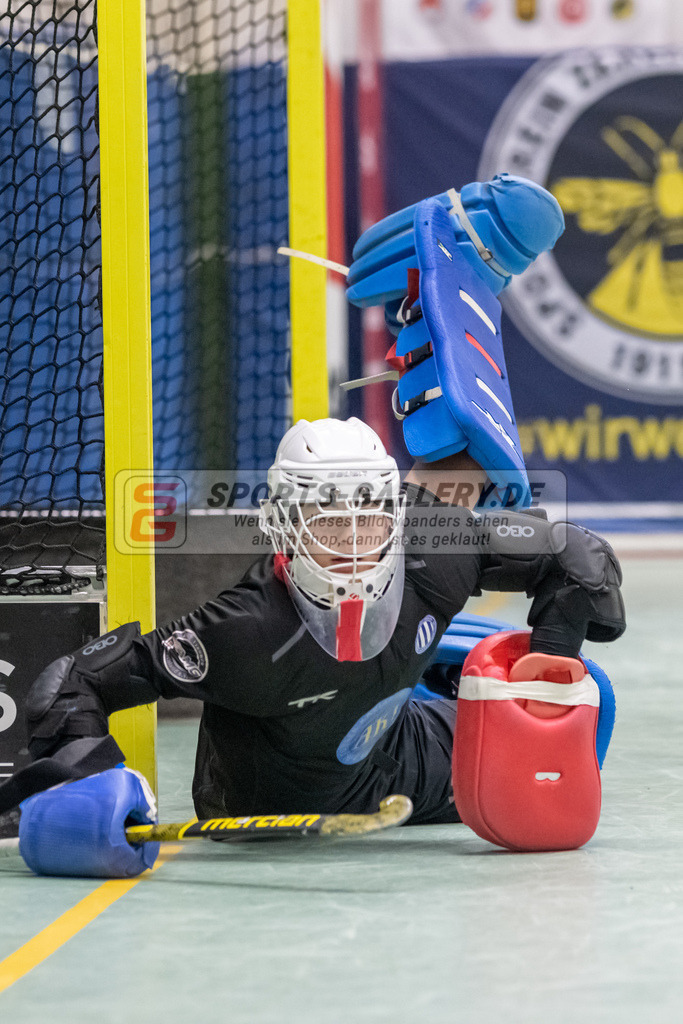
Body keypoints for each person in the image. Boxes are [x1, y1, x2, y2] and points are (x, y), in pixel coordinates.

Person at [17, 175, 625, 871]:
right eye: (329, 525)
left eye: (370, 521)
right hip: (260, 815)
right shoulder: (244, 633)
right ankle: (429, 310)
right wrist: (87, 777)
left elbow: (577, 555)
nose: (354, 543)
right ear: (282, 527)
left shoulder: (429, 549)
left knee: (584, 700)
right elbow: (74, 680)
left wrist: (552, 648)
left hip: (396, 764)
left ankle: (431, 312)